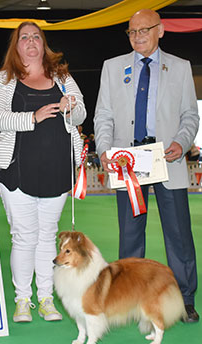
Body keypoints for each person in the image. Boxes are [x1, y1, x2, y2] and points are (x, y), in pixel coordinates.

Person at [94, 9, 199, 322]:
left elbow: (190, 116)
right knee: (129, 237)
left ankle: (184, 299)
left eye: (144, 30)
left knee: (179, 236)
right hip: (129, 163)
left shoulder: (180, 68)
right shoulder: (112, 68)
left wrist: (181, 141)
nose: (137, 36)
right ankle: (129, 299)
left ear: (161, 30)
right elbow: (104, 115)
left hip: (168, 160)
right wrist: (103, 148)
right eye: (131, 31)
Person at [0, 21, 86, 323]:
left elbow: (81, 113)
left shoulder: (63, 77)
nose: (30, 41)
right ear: (16, 46)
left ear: (44, 43)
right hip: (16, 172)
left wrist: (71, 106)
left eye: (36, 37)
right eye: (24, 37)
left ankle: (46, 298)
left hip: (57, 170)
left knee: (47, 237)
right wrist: (32, 117)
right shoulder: (4, 80)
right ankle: (22, 300)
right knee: (24, 237)